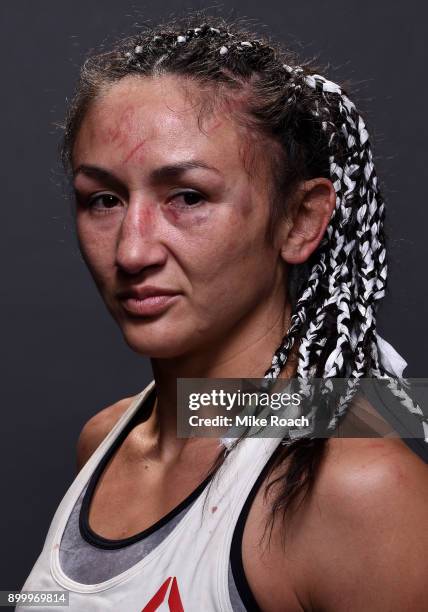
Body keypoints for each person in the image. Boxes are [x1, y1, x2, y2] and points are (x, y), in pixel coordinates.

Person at [18, 14, 428, 612]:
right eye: (102, 199)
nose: (132, 251)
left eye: (188, 196)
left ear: (301, 220)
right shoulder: (105, 441)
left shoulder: (358, 491)